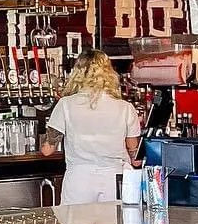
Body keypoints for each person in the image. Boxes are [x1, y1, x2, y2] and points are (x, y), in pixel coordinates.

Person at [40, 50, 142, 205]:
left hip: (79, 179)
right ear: (109, 73)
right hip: (114, 179)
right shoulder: (125, 108)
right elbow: (136, 159)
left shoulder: (66, 105)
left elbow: (47, 150)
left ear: (77, 73)